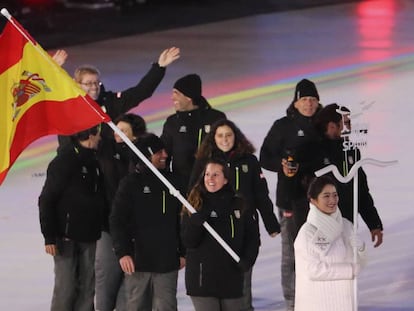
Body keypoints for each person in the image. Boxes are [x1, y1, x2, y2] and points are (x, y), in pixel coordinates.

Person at [189, 119, 280, 310]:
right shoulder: (204, 162)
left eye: (228, 135)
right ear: (213, 139)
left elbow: (261, 194)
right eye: (220, 135)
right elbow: (193, 192)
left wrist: (271, 224)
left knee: (242, 281)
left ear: (236, 137)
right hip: (212, 231)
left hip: (241, 229)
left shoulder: (249, 161)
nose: (225, 139)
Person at [259, 78, 323, 310]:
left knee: (321, 249)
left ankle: (319, 297)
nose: (308, 104)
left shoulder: (325, 125)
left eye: (312, 100)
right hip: (290, 199)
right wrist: (282, 165)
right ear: (295, 103)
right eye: (304, 99)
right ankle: (292, 302)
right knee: (292, 252)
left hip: (322, 202)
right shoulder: (282, 126)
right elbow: (264, 157)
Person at [110, 133, 185, 311]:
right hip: (138, 262)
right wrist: (123, 253)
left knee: (166, 307)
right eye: (159, 152)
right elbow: (117, 220)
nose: (165, 155)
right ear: (146, 155)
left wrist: (183, 251)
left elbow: (183, 220)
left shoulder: (175, 182)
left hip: (167, 261)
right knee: (137, 307)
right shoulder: (130, 184)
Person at [57, 46, 180, 150]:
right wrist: (52, 68)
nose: (94, 87)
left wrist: (159, 67)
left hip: (108, 163)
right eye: (88, 83)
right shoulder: (68, 107)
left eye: (96, 82)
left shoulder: (110, 102)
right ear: (77, 84)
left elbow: (140, 92)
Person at [38, 125, 105, 311]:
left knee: (87, 288)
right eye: (98, 134)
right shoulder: (63, 161)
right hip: (65, 238)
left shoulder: (95, 161)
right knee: (66, 288)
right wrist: (49, 236)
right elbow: (46, 200)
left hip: (90, 235)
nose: (101, 138)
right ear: (91, 136)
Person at [181, 158, 260, 311]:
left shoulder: (239, 204)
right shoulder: (194, 204)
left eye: (216, 175)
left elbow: (252, 237)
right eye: (207, 174)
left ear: (225, 180)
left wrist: (248, 259)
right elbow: (188, 242)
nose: (210, 179)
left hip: (231, 278)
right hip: (202, 280)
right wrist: (195, 224)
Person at [95, 113, 148, 311]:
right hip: (108, 227)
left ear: (135, 134)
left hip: (135, 229)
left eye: (124, 130)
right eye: (117, 129)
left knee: (131, 284)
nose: (118, 133)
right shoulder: (105, 149)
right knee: (106, 280)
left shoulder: (143, 155)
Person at [313, 103, 384, 247]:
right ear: (332, 126)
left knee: (349, 266)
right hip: (321, 227)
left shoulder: (352, 151)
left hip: (348, 225)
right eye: (346, 123)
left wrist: (374, 224)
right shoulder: (314, 152)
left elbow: (361, 190)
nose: (350, 128)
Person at [294, 176, 366, 311]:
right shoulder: (307, 233)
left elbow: (359, 265)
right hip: (318, 303)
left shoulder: (346, 225)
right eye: (326, 196)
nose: (332, 200)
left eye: (335, 195)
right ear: (313, 200)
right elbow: (313, 270)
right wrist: (349, 270)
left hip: (345, 302)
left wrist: (361, 249)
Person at [160, 73, 226, 193]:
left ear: (188, 97)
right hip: (181, 190)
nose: (172, 98)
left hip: (211, 188)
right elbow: (163, 154)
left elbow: (226, 151)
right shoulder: (172, 122)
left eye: (176, 93)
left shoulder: (216, 118)